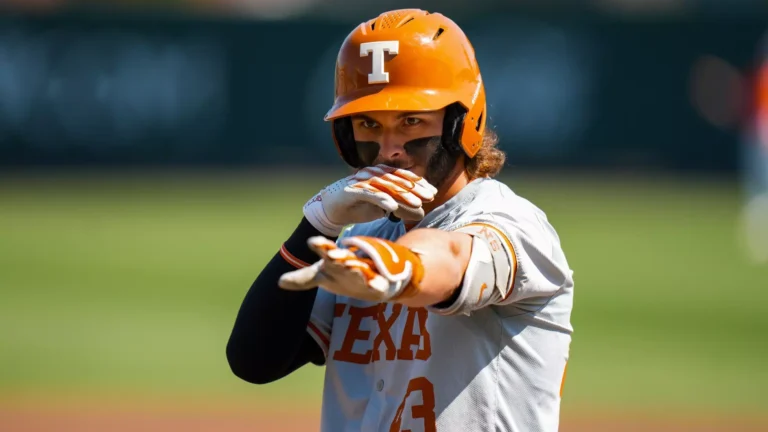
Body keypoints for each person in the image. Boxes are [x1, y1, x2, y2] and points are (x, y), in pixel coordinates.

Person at [226, 8, 575, 432]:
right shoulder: (359, 242)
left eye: (411, 121)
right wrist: (317, 223)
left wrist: (398, 267)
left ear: (460, 123)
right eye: (368, 123)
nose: (389, 149)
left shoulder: (512, 223)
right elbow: (254, 361)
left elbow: (451, 257)